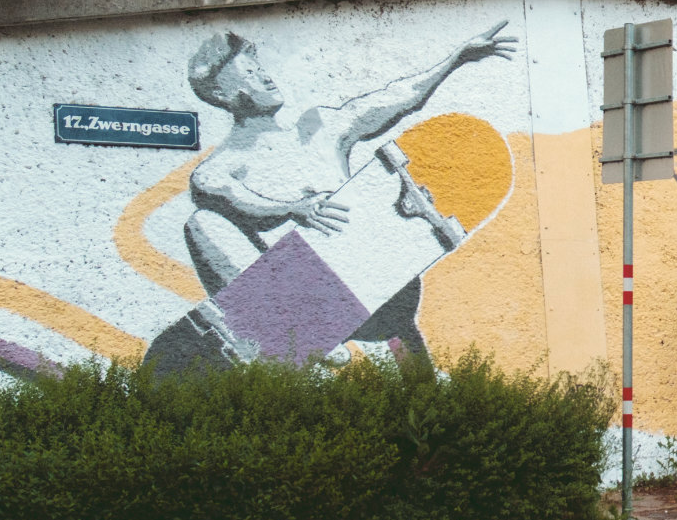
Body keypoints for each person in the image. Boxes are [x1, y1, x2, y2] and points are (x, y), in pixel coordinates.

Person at [180, 21, 518, 352]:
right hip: (312, 297)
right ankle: (285, 334)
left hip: (381, 281)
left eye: (260, 67)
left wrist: (457, 57)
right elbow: (227, 193)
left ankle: (298, 335)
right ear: (223, 93)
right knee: (202, 224)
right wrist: (289, 208)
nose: (264, 76)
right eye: (249, 74)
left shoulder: (317, 127)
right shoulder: (218, 168)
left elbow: (394, 99)